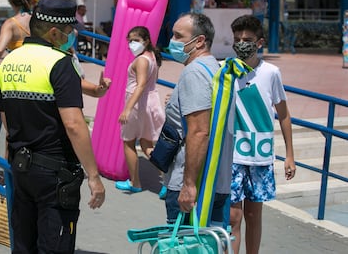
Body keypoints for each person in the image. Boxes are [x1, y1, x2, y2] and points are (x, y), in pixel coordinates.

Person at [0, 0, 105, 253]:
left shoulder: (10, 62)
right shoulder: (60, 63)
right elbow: (74, 125)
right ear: (54, 32)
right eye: (69, 31)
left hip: (20, 167)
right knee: (54, 244)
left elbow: (6, 120)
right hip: (55, 174)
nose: (72, 36)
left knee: (24, 243)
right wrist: (94, 176)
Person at [229, 15, 296, 254]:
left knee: (253, 215)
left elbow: (284, 115)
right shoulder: (227, 70)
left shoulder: (271, 72)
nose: (241, 43)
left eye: (247, 39)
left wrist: (289, 155)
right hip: (233, 155)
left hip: (260, 155)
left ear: (260, 42)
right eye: (237, 39)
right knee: (233, 216)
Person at [163, 13, 234, 225]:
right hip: (217, 180)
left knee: (184, 246)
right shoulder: (217, 69)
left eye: (178, 36)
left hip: (195, 185)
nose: (172, 42)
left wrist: (189, 184)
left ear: (200, 41)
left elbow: (199, 131)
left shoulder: (194, 73)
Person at [115, 26, 165, 194]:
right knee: (146, 143)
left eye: (136, 40)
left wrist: (127, 109)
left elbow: (141, 85)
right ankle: (166, 181)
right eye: (129, 41)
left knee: (128, 142)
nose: (132, 44)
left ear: (146, 40)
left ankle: (135, 183)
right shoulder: (152, 57)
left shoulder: (141, 60)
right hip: (151, 102)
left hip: (138, 104)